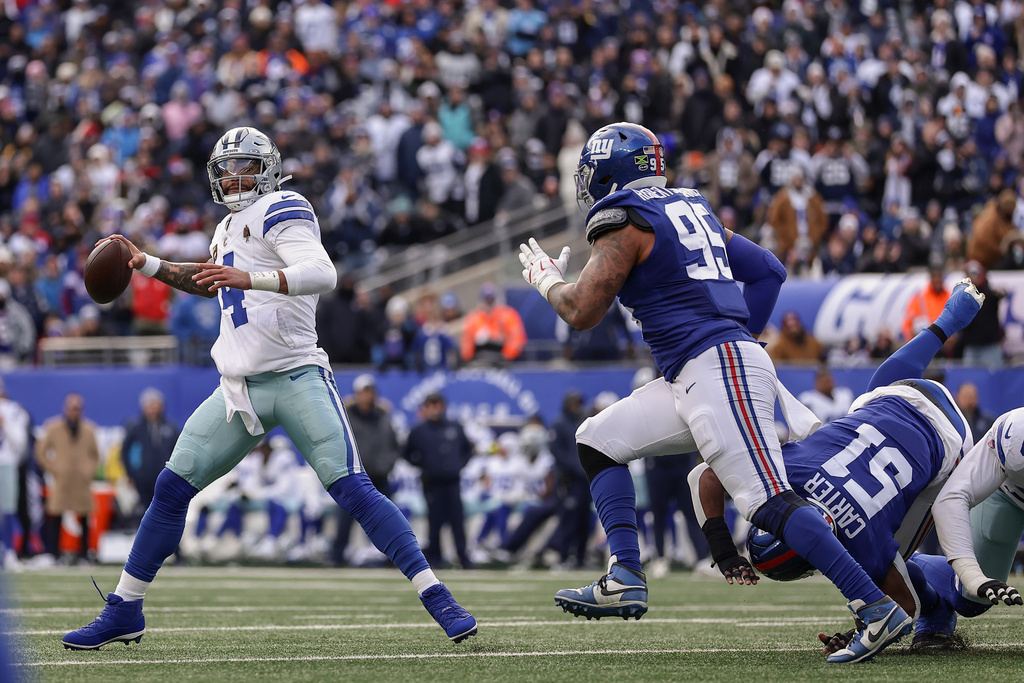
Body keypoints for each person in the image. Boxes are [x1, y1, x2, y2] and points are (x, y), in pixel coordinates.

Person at [62, 127, 476, 650]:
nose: (234, 178)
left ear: (269, 170)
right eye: (226, 168)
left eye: (246, 167)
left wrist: (253, 280)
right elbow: (211, 280)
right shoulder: (226, 227)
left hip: (296, 374)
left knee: (352, 488)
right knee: (171, 487)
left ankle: (437, 596)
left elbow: (322, 272)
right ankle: (124, 609)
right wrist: (147, 264)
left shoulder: (283, 206)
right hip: (239, 387)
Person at [519, 122, 915, 664]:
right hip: (699, 369)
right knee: (596, 439)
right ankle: (625, 573)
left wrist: (546, 280)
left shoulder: (625, 217)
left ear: (611, 170)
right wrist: (737, 334)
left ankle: (875, 607)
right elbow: (769, 271)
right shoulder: (692, 206)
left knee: (766, 502)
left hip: (714, 366)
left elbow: (581, 310)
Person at [691, 280, 985, 661]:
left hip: (952, 441)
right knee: (871, 397)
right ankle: (946, 321)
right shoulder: (787, 471)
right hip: (898, 391)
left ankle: (940, 605)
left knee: (897, 556)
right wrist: (722, 546)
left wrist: (857, 631)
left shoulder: (862, 548)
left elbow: (904, 605)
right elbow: (706, 475)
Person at [332, 373, 402, 565]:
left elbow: (393, 445)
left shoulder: (383, 416)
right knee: (345, 519)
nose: (366, 396)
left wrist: (386, 464)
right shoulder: (346, 416)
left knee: (387, 519)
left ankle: (391, 559)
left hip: (379, 475)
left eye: (369, 392)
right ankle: (336, 557)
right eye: (362, 392)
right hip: (355, 475)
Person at [403, 392, 475, 569]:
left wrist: (458, 465)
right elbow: (406, 453)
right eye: (431, 405)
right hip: (432, 482)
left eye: (437, 405)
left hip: (452, 481)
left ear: (443, 406)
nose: (435, 409)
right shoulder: (419, 430)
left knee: (457, 520)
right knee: (434, 521)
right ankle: (435, 558)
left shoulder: (454, 427)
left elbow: (467, 449)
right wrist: (423, 465)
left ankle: (463, 557)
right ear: (426, 408)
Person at [35, 393, 100, 564]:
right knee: (56, 516)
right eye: (72, 408)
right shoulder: (53, 427)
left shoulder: (89, 429)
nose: (74, 411)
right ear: (66, 409)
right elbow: (41, 452)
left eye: (78, 408)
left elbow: (95, 455)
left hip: (81, 480)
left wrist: (88, 471)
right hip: (62, 480)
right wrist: (54, 468)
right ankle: (54, 553)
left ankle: (84, 554)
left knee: (84, 517)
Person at [121, 389, 180, 517]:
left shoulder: (171, 428)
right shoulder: (136, 428)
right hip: (143, 478)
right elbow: (125, 451)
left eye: (156, 405)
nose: (153, 409)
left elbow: (179, 451)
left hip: (165, 477)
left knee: (164, 511)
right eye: (150, 405)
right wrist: (131, 474)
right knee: (145, 511)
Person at [460, 283, 527, 364]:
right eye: (487, 299)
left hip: (502, 359)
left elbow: (517, 338)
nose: (489, 301)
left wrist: (505, 356)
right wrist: (470, 356)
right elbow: (466, 341)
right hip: (479, 359)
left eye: (491, 299)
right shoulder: (474, 317)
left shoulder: (508, 315)